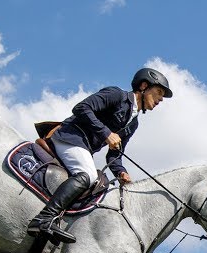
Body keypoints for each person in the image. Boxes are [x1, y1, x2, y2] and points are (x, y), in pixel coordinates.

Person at [26, 67, 174, 243]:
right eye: (158, 92)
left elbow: (114, 156)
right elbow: (81, 107)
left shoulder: (132, 124)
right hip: (69, 137)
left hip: (82, 148)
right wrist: (106, 133)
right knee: (88, 175)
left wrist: (121, 173)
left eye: (162, 96)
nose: (160, 100)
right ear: (143, 86)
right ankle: (44, 218)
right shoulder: (117, 95)